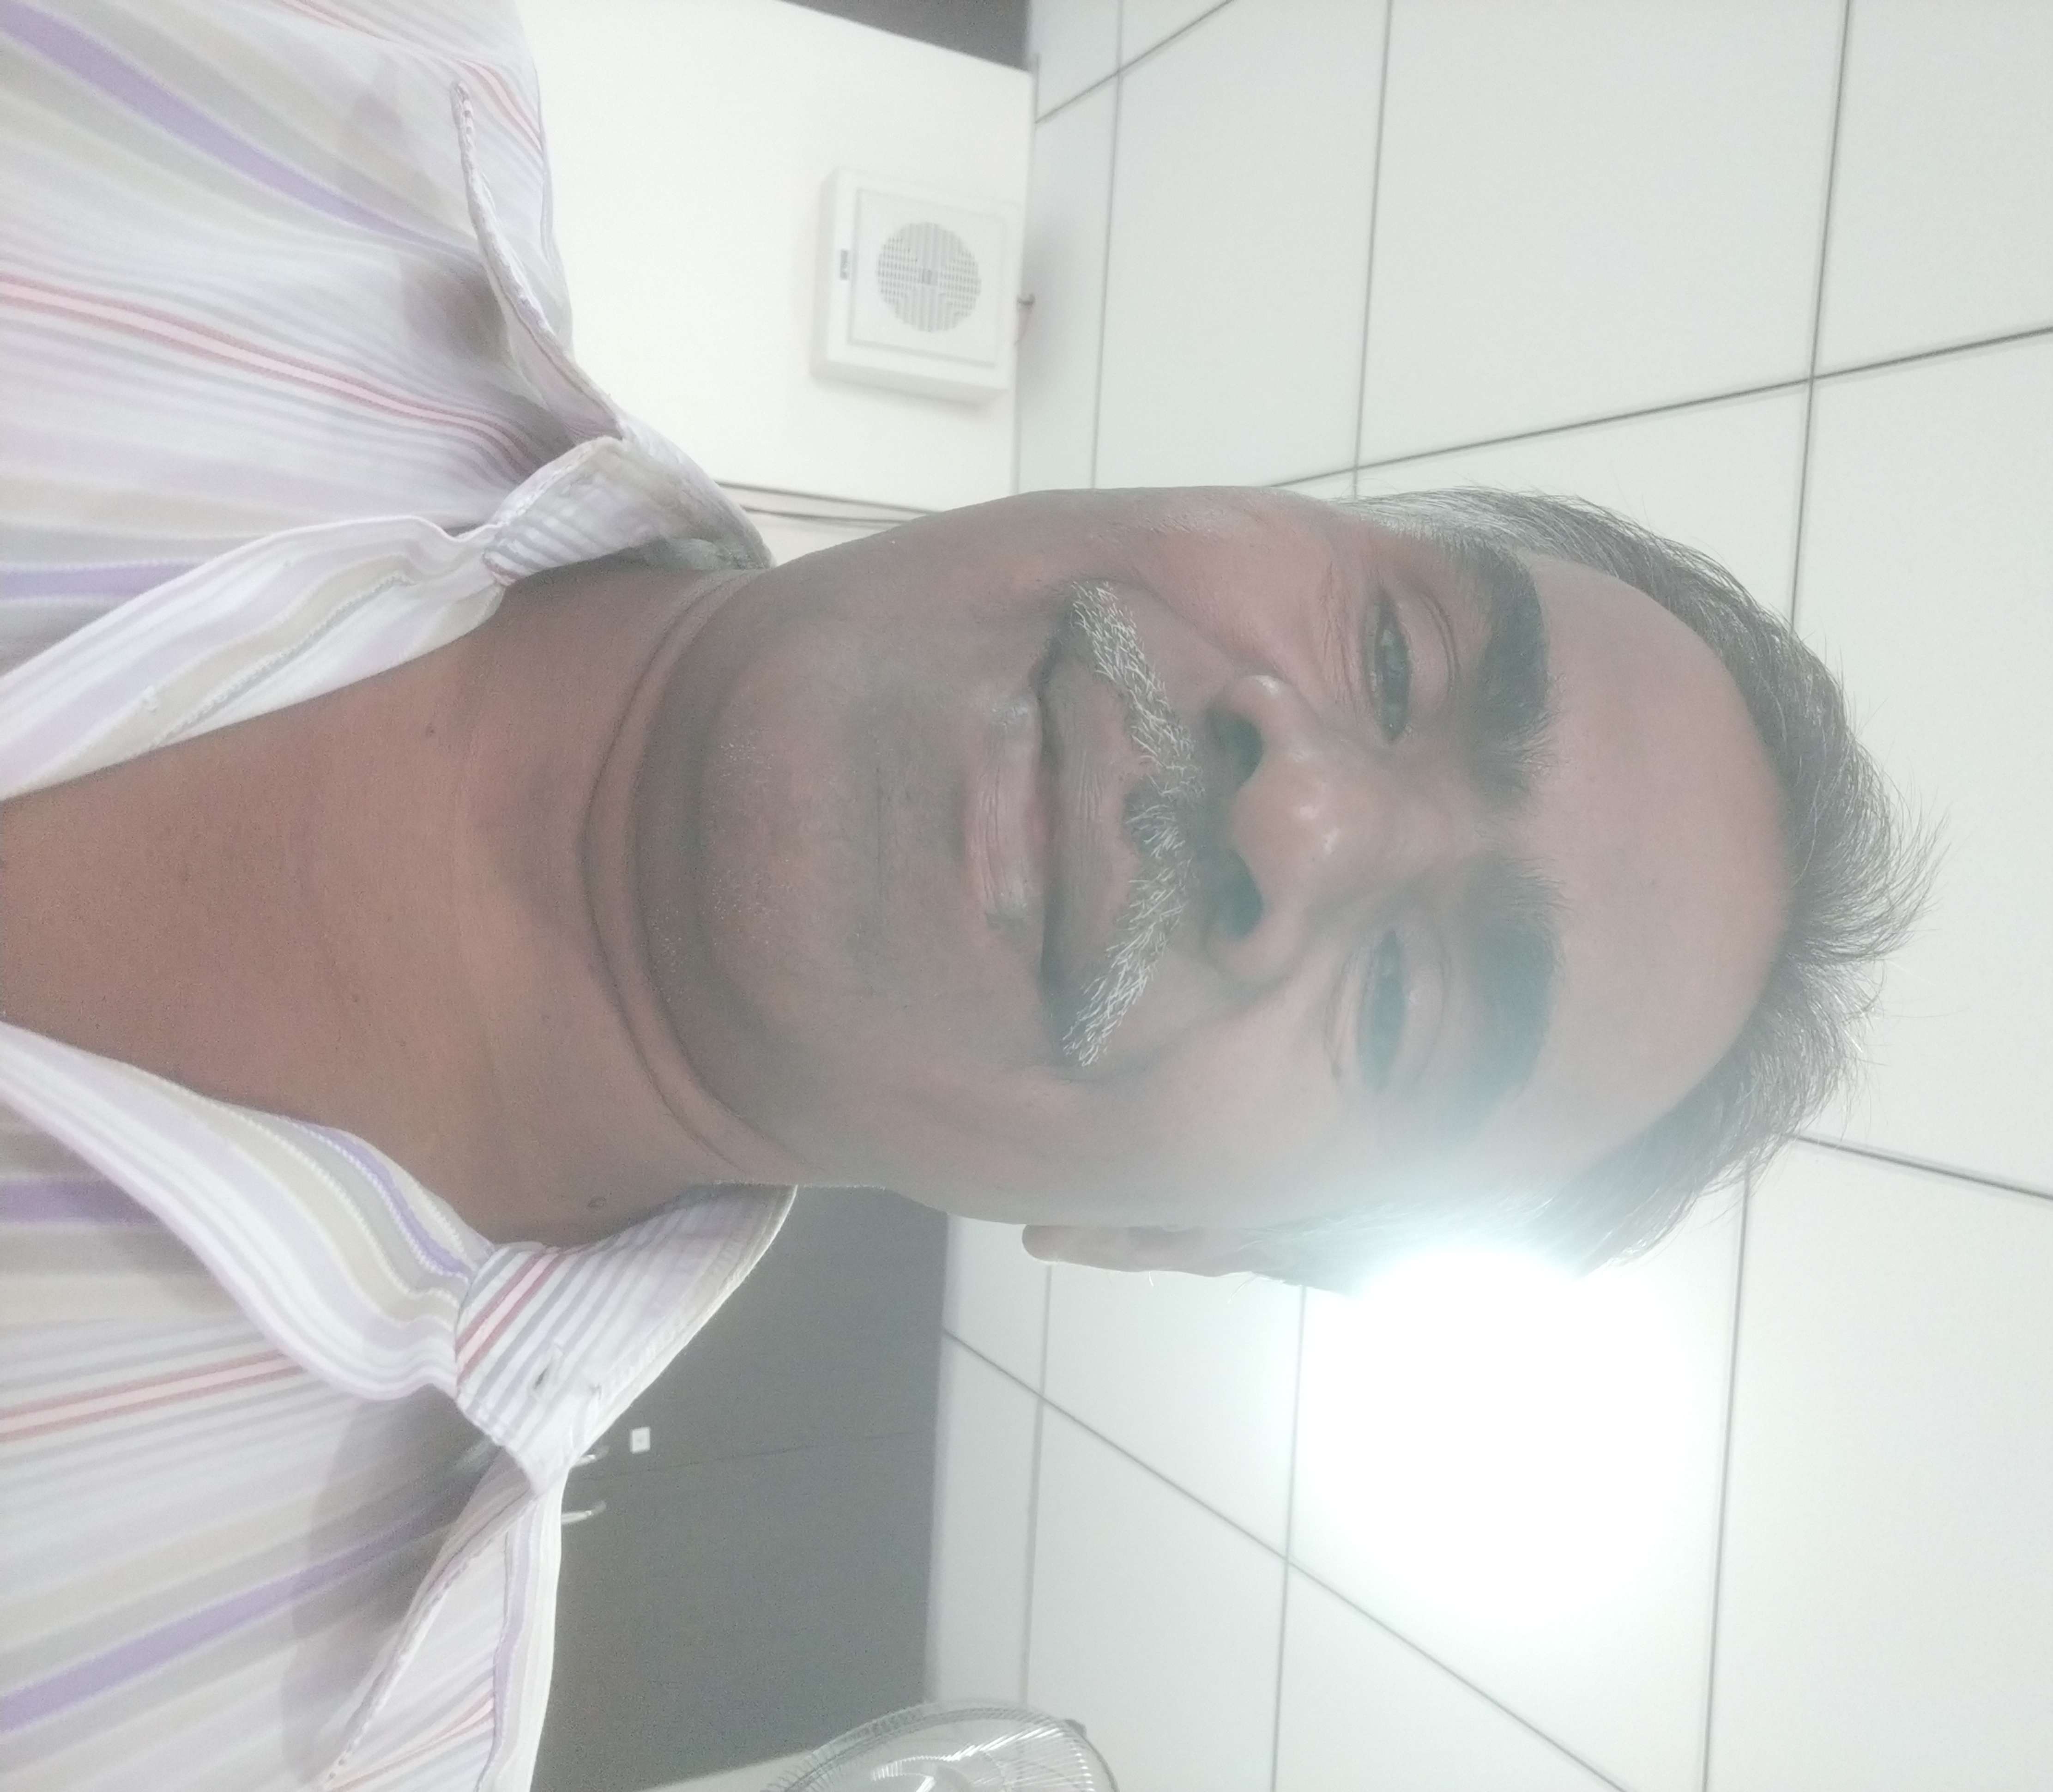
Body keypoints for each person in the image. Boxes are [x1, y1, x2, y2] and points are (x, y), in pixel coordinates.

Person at [0, 3, 1930, 1788]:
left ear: (1162, 1245)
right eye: (1395, 658)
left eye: (1407, 1004)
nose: (1301, 817)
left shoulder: (323, 1741)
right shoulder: (286, 59)